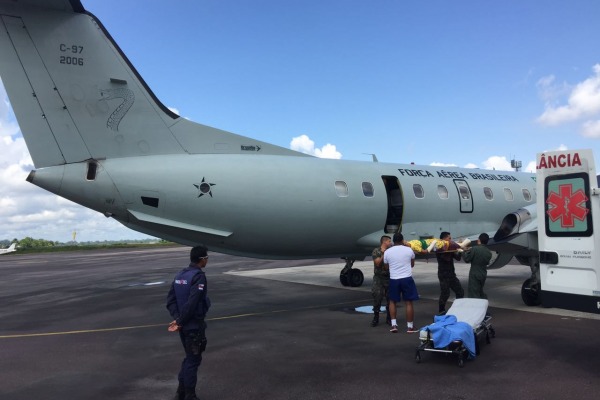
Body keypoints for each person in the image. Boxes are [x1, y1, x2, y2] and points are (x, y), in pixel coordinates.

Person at [166, 245, 212, 400]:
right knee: (193, 360)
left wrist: (178, 319)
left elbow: (170, 301)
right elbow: (193, 303)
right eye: (207, 258)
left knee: (189, 358)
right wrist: (180, 321)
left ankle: (181, 393)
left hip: (184, 326)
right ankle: (190, 396)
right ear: (202, 259)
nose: (207, 261)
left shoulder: (180, 274)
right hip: (193, 326)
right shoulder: (198, 277)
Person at [383, 232, 419, 333]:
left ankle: (394, 325)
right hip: (406, 278)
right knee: (409, 302)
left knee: (392, 302)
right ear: (403, 240)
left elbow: (386, 267)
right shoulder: (409, 250)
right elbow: (412, 264)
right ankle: (410, 326)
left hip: (394, 278)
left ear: (393, 241)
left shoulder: (387, 252)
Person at [435, 231, 464, 314]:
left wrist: (459, 250)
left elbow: (458, 258)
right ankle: (441, 310)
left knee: (460, 291)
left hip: (451, 274)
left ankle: (458, 308)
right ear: (444, 239)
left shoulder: (450, 248)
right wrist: (453, 249)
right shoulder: (439, 247)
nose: (451, 240)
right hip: (443, 275)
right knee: (445, 293)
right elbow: (445, 257)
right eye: (449, 238)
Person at [464, 233, 493, 299]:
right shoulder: (488, 252)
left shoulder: (474, 249)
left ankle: (476, 307)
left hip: (475, 273)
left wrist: (463, 252)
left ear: (479, 240)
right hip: (483, 273)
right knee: (480, 291)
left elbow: (466, 259)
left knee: (473, 293)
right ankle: (483, 302)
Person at [371, 235, 392, 327]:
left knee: (390, 299)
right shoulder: (376, 251)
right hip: (379, 278)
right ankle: (376, 318)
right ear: (384, 242)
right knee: (377, 297)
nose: (390, 243)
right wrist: (384, 254)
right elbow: (378, 263)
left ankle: (389, 318)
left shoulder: (391, 251)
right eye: (389, 241)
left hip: (389, 277)